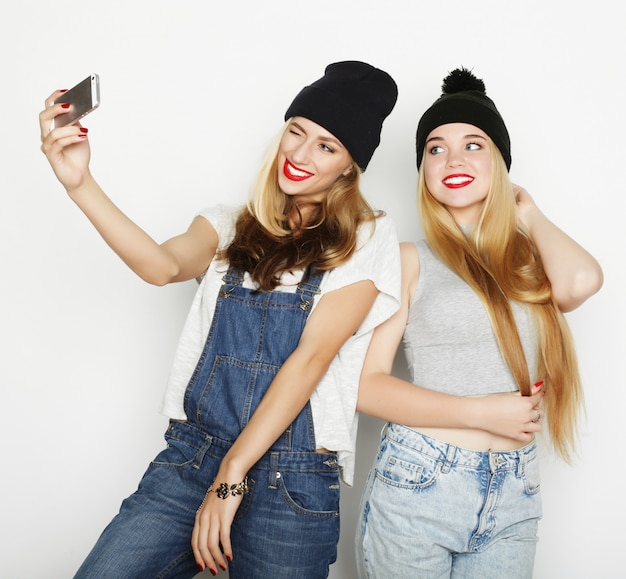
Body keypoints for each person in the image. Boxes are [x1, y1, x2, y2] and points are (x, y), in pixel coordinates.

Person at [39, 60, 401, 578]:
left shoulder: (367, 238)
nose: (299, 155)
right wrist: (80, 184)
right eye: (296, 132)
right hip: (193, 461)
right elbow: (161, 266)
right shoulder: (227, 224)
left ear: (349, 166)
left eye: (326, 146)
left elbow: (311, 359)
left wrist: (231, 478)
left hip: (290, 482)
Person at [355, 67, 604, 578]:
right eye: (436, 148)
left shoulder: (533, 259)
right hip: (421, 482)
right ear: (423, 168)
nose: (452, 159)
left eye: (474, 144)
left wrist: (527, 214)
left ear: (501, 162)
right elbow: (366, 386)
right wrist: (479, 413)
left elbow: (581, 283)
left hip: (515, 488)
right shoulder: (408, 258)